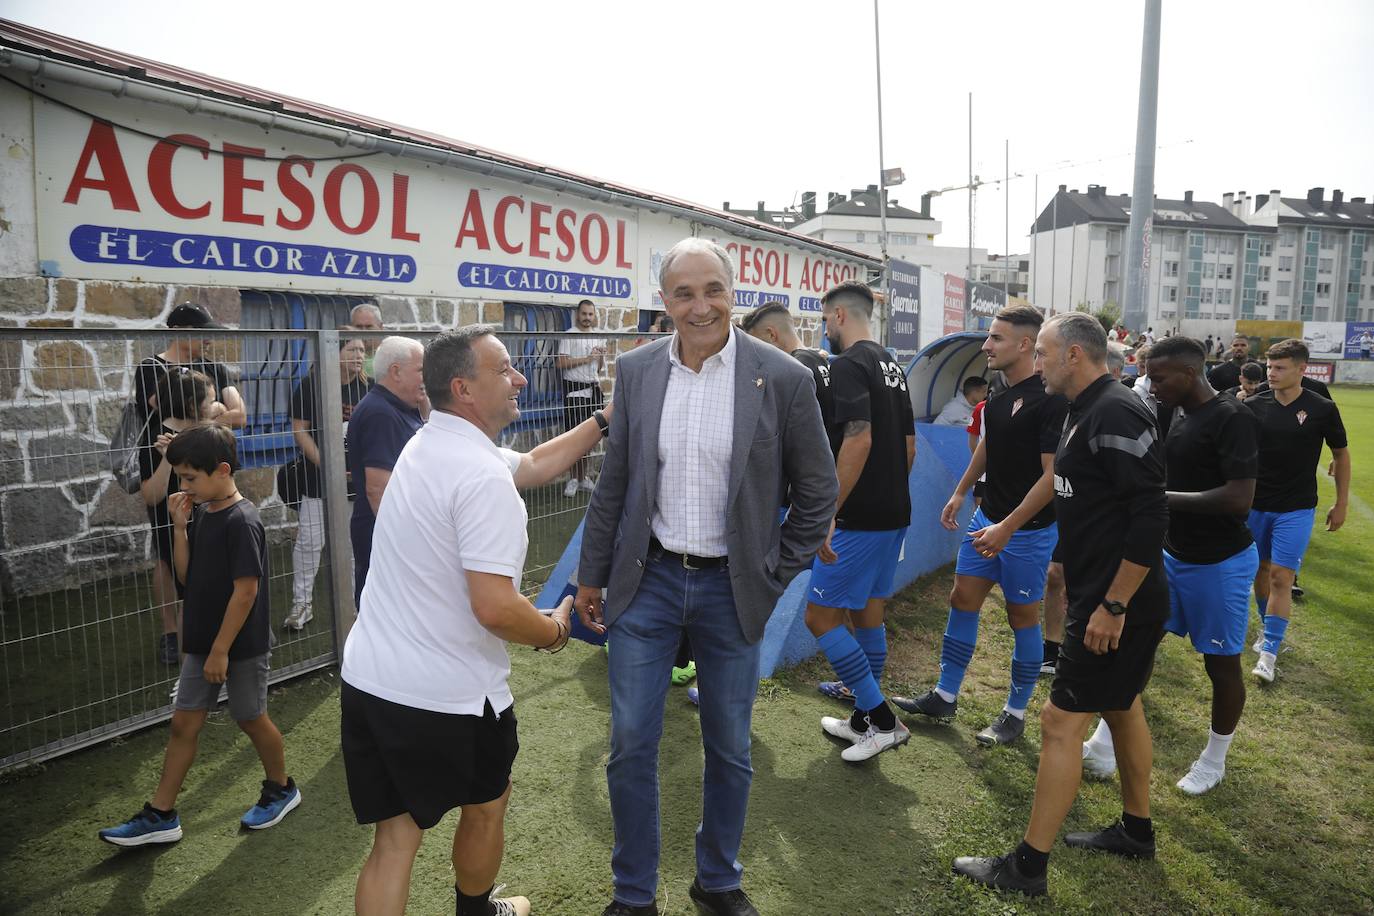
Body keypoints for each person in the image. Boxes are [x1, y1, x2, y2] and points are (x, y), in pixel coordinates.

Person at [575, 238, 836, 916]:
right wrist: (590, 575)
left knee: (730, 745)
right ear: (664, 302)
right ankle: (633, 895)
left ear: (734, 292)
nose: (701, 306)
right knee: (630, 742)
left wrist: (775, 571)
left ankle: (717, 880)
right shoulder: (635, 371)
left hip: (733, 588)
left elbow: (818, 491)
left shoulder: (781, 377)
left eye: (713, 290)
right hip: (648, 581)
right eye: (684, 293)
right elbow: (615, 485)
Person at [341, 326, 612, 916]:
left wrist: (605, 419)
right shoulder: (482, 475)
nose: (519, 380)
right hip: (448, 694)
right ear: (463, 387)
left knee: (393, 842)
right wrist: (555, 630)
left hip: (370, 677)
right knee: (488, 804)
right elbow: (494, 608)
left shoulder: (428, 441)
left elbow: (537, 462)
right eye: (505, 370)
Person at [952, 313, 1169, 897]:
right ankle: (1137, 830)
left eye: (1044, 353)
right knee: (1122, 707)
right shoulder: (1083, 407)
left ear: (1074, 355)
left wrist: (1114, 605)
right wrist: (1008, 523)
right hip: (1103, 594)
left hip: (1116, 602)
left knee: (1058, 723)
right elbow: (1059, 483)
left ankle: (1027, 868)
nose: (1037, 362)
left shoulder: (1116, 410)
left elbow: (1151, 515)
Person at [100, 424, 298, 846]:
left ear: (222, 470)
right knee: (183, 723)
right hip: (201, 642)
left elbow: (246, 593)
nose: (183, 485)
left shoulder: (242, 521)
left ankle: (282, 787)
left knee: (250, 716)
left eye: (190, 477)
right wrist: (179, 527)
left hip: (237, 646)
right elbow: (187, 577)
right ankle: (161, 814)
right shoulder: (204, 512)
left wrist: (220, 651)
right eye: (181, 478)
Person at [893, 304, 1066, 747]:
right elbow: (990, 443)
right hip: (986, 519)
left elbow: (1052, 478)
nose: (986, 345)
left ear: (1025, 344)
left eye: (996, 338)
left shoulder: (1051, 400)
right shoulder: (1000, 391)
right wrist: (960, 490)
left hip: (1025, 532)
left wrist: (1008, 526)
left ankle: (1014, 713)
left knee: (1021, 616)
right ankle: (945, 695)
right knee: (962, 597)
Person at [801, 281, 916, 761]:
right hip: (894, 512)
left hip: (858, 519)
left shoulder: (848, 364)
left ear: (840, 316)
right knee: (868, 610)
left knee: (820, 616)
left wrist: (830, 512)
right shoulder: (892, 363)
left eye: (826, 319)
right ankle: (862, 717)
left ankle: (884, 721)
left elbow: (859, 440)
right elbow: (908, 447)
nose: (825, 329)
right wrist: (888, 492)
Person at [1145, 336, 1260, 794]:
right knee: (1139, 639)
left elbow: (1239, 499)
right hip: (1173, 554)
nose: (1152, 387)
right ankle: (1107, 739)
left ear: (1189, 374)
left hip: (1220, 563)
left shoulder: (1233, 417)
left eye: (1159, 377)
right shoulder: (1178, 412)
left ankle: (1214, 759)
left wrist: (1159, 499)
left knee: (1221, 666)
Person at [135, 303, 244, 664]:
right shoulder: (151, 367)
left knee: (207, 557)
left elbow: (239, 416)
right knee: (169, 557)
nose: (209, 339)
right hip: (166, 467)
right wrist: (211, 416)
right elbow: (167, 409)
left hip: (205, 469)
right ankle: (173, 634)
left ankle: (205, 629)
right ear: (180, 330)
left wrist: (206, 415)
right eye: (202, 332)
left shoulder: (213, 366)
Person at [1244, 338, 1350, 683]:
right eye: (1269, 367)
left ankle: (1270, 652)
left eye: (1279, 368)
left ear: (1301, 370)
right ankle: (1267, 629)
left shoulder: (1321, 408)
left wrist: (1342, 501)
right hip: (1255, 506)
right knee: (1259, 573)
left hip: (1297, 508)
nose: (1271, 374)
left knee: (1281, 577)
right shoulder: (1254, 404)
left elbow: (1341, 454)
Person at [285, 331, 372, 630]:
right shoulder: (312, 386)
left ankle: (355, 605)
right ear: (334, 353)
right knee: (310, 541)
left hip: (356, 484)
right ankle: (301, 605)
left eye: (362, 350)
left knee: (353, 544)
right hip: (317, 481)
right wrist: (327, 465)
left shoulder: (369, 389)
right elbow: (299, 430)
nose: (359, 356)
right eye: (352, 349)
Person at [137, 367, 215, 668]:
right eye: (208, 400)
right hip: (173, 528)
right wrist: (170, 459)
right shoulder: (154, 435)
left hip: (209, 520)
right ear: (190, 404)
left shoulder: (204, 428)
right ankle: (190, 665)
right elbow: (151, 495)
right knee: (190, 596)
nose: (214, 404)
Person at [345, 337, 427, 606]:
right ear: (395, 371)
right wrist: (405, 542)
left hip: (394, 530)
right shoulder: (380, 413)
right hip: (384, 534)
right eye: (420, 370)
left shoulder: (399, 407)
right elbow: (377, 489)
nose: (426, 378)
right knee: (384, 608)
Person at [557, 299, 609, 497]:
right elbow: (560, 363)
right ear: (577, 315)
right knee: (574, 438)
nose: (587, 318)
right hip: (574, 392)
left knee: (588, 439)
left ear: (594, 316)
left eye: (590, 314)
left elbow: (599, 368)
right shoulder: (569, 335)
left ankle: (583, 478)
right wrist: (587, 358)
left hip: (593, 392)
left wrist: (600, 356)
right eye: (584, 314)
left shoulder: (598, 336)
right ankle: (572, 479)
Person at [351, 302, 385, 378]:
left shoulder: (390, 354)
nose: (363, 331)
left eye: (369, 326)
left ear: (381, 327)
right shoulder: (346, 357)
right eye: (358, 327)